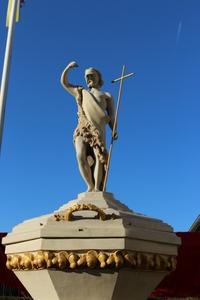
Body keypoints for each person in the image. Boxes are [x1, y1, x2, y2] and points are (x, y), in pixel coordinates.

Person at [61, 61, 117, 192]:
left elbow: (111, 116)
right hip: (83, 128)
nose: (89, 78)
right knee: (80, 155)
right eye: (87, 76)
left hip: (98, 130)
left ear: (98, 78)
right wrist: (68, 68)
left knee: (99, 157)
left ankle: (97, 188)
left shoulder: (107, 96)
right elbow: (64, 83)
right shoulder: (80, 92)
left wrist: (114, 129)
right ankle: (89, 185)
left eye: (91, 75)